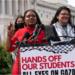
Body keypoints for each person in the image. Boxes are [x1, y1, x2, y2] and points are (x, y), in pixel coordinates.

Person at [5, 9, 48, 74]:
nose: (31, 17)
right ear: (24, 20)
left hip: (38, 66)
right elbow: (8, 49)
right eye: (28, 16)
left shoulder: (43, 32)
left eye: (34, 16)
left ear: (36, 18)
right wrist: (9, 34)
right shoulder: (19, 32)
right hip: (20, 67)